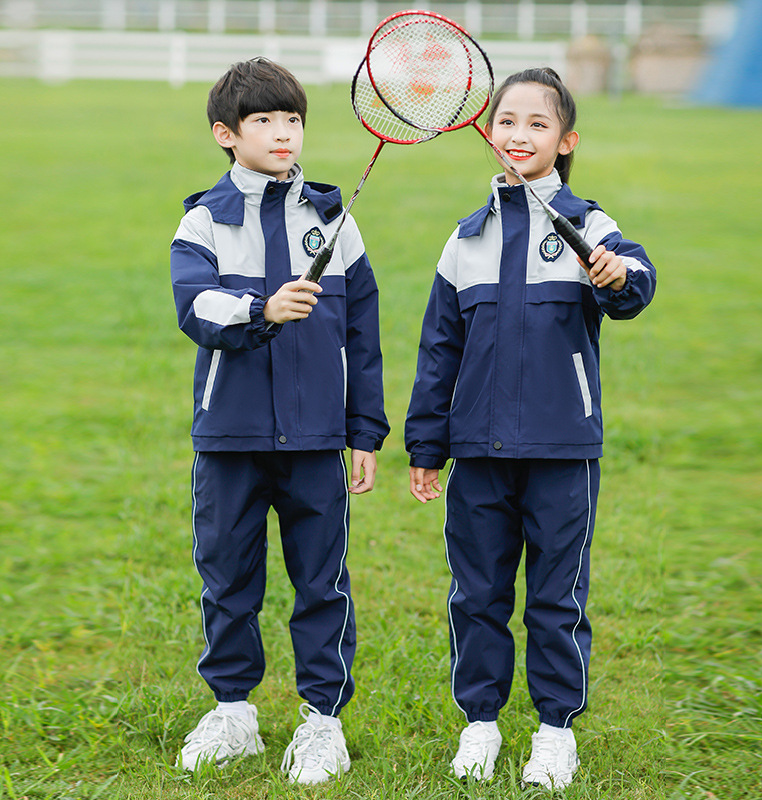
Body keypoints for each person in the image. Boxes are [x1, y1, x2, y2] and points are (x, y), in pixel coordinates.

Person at [405, 67, 656, 789]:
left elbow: (634, 285)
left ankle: (554, 731)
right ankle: (479, 722)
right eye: (507, 121)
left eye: (537, 124)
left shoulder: (590, 226)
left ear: (565, 141)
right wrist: (427, 444)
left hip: (561, 450)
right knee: (476, 592)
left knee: (556, 595)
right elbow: (438, 352)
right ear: (490, 132)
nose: (519, 134)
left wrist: (617, 276)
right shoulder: (465, 240)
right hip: (477, 453)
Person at [170, 57, 389, 784]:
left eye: (292, 118)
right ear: (225, 134)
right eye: (263, 120)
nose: (282, 132)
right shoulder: (203, 218)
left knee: (321, 581)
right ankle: (233, 711)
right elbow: (194, 307)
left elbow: (364, 332)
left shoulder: (334, 219)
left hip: (317, 437)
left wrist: (364, 430)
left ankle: (322, 720)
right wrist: (260, 311)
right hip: (229, 435)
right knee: (229, 577)